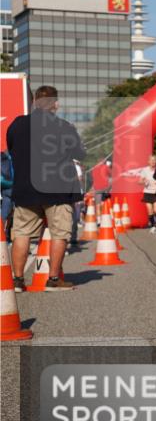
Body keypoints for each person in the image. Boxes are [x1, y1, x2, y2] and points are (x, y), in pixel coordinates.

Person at [6, 86, 84, 291]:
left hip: (25, 188)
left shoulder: (17, 125)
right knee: (59, 233)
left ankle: (17, 280)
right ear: (55, 104)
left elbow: (11, 148)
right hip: (57, 190)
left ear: (34, 102)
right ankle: (53, 280)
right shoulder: (64, 126)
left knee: (22, 233)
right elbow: (80, 153)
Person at [137, 154, 156, 231]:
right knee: (150, 210)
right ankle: (153, 225)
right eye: (151, 160)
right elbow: (139, 181)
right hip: (148, 192)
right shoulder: (145, 170)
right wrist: (143, 181)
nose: (153, 162)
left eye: (154, 160)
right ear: (148, 162)